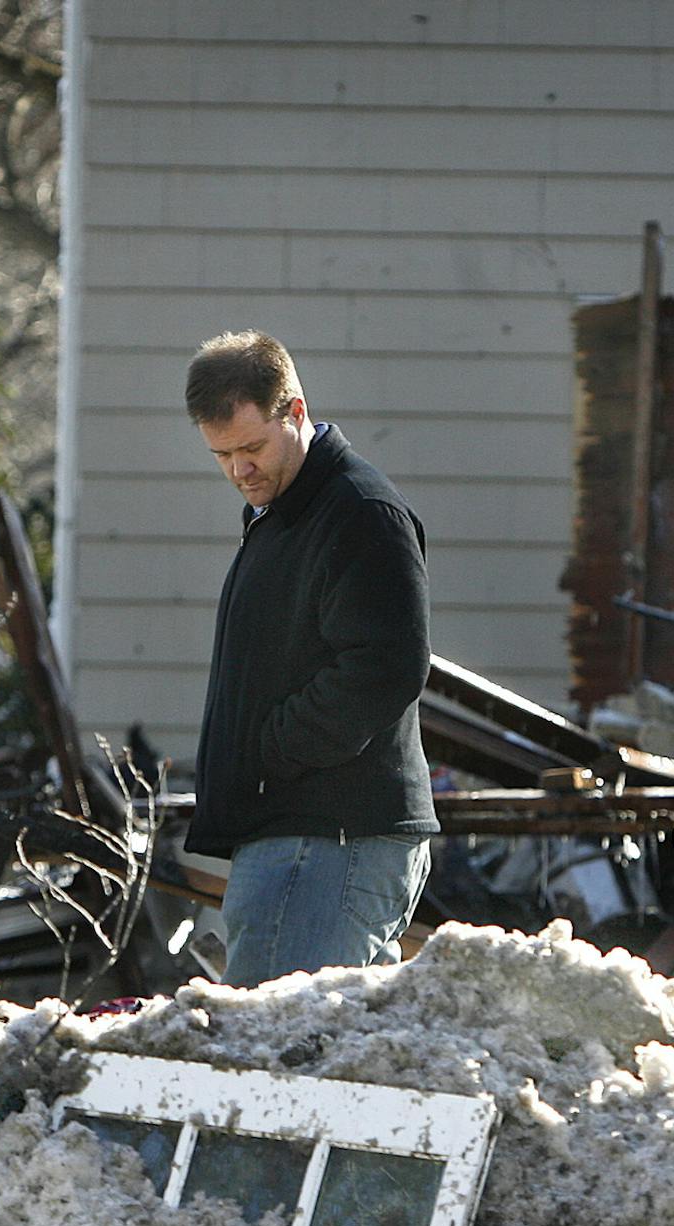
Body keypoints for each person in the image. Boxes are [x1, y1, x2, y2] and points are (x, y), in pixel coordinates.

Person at [181, 330, 438, 985]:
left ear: (295, 413)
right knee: (323, 1070)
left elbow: (386, 667)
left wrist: (275, 751)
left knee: (275, 1072)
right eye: (222, 455)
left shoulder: (359, 511)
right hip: (307, 839)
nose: (240, 470)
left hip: (328, 842)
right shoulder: (288, 514)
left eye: (252, 448)